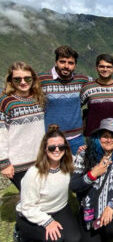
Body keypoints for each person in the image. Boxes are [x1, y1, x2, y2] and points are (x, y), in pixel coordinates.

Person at [70, 118, 113, 242]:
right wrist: (92, 174)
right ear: (98, 137)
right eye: (105, 136)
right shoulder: (85, 154)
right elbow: (74, 185)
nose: (109, 140)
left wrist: (112, 205)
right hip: (90, 205)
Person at [16, 124, 81, 242]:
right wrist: (47, 221)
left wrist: (84, 152)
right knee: (56, 239)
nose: (57, 150)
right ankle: (22, 235)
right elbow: (27, 207)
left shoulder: (68, 163)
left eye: (61, 147)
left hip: (60, 208)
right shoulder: (34, 173)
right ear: (45, 149)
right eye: (52, 147)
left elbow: (82, 165)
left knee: (74, 239)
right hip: (34, 213)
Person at [0, 62, 45, 190]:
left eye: (27, 78)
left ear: (33, 79)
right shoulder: (5, 101)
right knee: (29, 199)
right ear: (11, 81)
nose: (23, 82)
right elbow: (1, 133)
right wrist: (4, 163)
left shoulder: (38, 98)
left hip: (40, 160)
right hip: (17, 164)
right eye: (17, 79)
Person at [39, 46, 90, 155]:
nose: (66, 66)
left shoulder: (82, 80)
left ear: (75, 65)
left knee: (78, 170)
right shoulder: (42, 80)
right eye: (62, 62)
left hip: (76, 138)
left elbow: (99, 85)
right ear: (56, 62)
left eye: (70, 63)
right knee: (51, 170)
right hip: (51, 138)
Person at [80, 54, 113, 136]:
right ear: (96, 68)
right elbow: (76, 107)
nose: (105, 69)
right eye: (102, 66)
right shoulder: (87, 88)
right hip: (93, 135)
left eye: (109, 67)